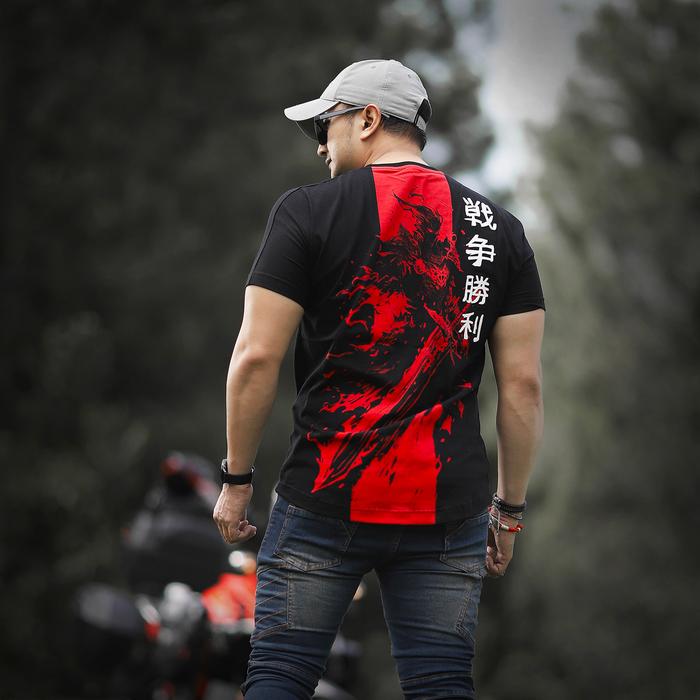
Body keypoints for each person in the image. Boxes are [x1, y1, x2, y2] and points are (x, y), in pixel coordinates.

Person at [213, 58, 545, 699]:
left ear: (367, 120)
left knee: (279, 677)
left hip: (324, 494)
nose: (320, 147)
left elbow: (255, 356)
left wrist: (236, 481)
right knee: (441, 685)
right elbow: (523, 386)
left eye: (326, 127)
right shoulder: (501, 231)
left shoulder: (306, 212)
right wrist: (507, 513)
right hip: (447, 509)